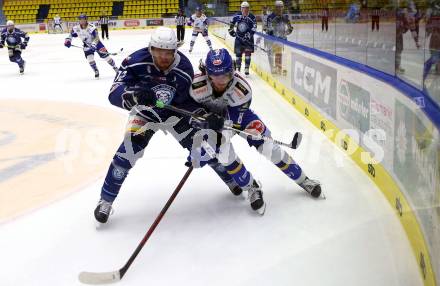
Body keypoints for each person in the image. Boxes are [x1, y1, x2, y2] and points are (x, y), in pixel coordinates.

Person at [94, 27, 267, 223]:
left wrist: (204, 117)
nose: (164, 56)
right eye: (159, 51)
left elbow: (188, 101)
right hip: (145, 115)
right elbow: (114, 90)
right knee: (125, 155)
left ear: (175, 50)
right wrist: (132, 95)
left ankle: (234, 181)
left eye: (169, 52)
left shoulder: (183, 67)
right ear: (151, 48)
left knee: (207, 150)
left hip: (174, 116)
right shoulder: (134, 60)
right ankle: (105, 201)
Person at [192, 49, 323, 206]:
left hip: (239, 117)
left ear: (232, 70)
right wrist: (202, 121)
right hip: (210, 122)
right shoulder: (196, 85)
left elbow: (235, 121)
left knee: (270, 148)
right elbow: (189, 110)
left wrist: (220, 126)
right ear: (207, 73)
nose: (220, 81)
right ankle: (252, 187)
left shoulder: (242, 89)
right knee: (225, 155)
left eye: (225, 75)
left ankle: (304, 180)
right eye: (214, 76)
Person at [64, 14, 118, 78]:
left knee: (107, 58)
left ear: (86, 19)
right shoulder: (76, 28)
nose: (82, 21)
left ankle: (115, 67)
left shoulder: (92, 27)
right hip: (86, 45)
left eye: (83, 19)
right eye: (80, 19)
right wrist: (68, 41)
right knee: (90, 59)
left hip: (97, 44)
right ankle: (96, 70)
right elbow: (70, 35)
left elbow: (97, 37)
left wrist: (94, 45)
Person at [228, 1, 257, 75]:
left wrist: (249, 34)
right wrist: (231, 31)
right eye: (243, 8)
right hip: (239, 38)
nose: (245, 10)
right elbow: (231, 23)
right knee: (238, 54)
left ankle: (247, 68)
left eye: (247, 8)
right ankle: (238, 68)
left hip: (248, 39)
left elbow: (254, 27)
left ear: (249, 9)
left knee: (248, 53)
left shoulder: (252, 17)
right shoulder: (237, 16)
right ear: (241, 9)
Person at [266, 0, 293, 75]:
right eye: (278, 7)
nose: (280, 9)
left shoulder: (285, 17)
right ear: (275, 7)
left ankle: (278, 68)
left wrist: (286, 33)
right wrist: (273, 33)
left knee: (279, 53)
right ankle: (277, 68)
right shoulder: (270, 17)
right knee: (276, 53)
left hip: (282, 39)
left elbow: (290, 28)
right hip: (273, 39)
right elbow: (268, 29)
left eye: (281, 7)